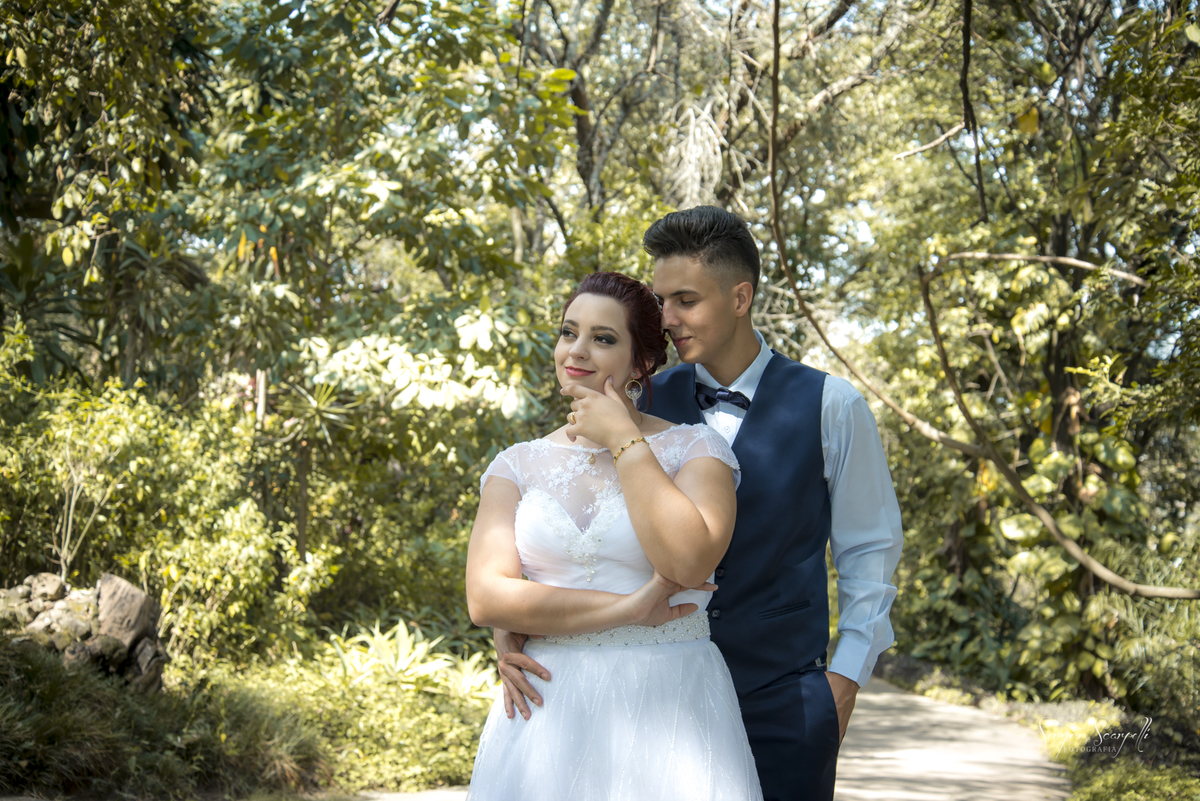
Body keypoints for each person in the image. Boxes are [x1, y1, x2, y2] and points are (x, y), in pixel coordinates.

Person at [498, 206, 904, 801]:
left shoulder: (832, 405)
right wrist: (512, 628)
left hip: (782, 700)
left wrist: (843, 682)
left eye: (685, 300)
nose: (667, 319)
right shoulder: (632, 399)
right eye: (661, 301)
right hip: (655, 699)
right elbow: (563, 512)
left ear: (740, 297)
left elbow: (869, 552)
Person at [465, 271, 764, 801]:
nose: (577, 350)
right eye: (568, 332)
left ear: (641, 361)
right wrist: (629, 609)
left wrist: (623, 437)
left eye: (603, 338)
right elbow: (487, 599)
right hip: (546, 706)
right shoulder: (515, 465)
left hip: (670, 700)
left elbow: (689, 562)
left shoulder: (697, 450)